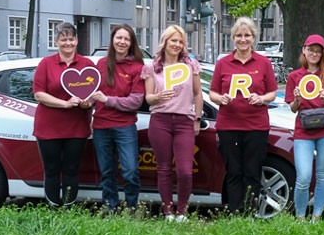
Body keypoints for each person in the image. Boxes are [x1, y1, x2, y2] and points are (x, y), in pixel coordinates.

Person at [207, 18, 278, 217]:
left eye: (247, 35)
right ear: (233, 38)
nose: (243, 39)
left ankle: (250, 213)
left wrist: (261, 98)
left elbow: (272, 93)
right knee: (233, 171)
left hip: (256, 125)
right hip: (228, 125)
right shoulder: (223, 63)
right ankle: (235, 212)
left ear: (253, 38)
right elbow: (212, 93)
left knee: (252, 171)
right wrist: (221, 98)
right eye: (239, 35)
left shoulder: (263, 63)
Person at [142, 25, 205, 222]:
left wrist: (197, 118)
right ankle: (168, 211)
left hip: (184, 121)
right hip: (160, 120)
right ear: (165, 42)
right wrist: (158, 97)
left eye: (181, 42)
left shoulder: (190, 65)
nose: (177, 45)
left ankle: (182, 212)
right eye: (173, 41)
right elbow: (149, 98)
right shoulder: (152, 67)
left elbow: (198, 93)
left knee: (185, 171)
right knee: (163, 168)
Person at [31, 23, 95, 206]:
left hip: (77, 128)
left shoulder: (87, 64)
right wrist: (65, 104)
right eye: (63, 39)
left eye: (71, 39)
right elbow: (39, 94)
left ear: (77, 40)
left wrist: (87, 102)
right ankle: (53, 209)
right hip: (48, 127)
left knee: (71, 170)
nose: (68, 43)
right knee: (51, 170)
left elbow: (93, 94)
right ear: (56, 42)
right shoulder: (46, 63)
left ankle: (68, 209)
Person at [286, 34, 324, 220]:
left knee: (323, 175)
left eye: (318, 51)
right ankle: (300, 217)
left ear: (322, 54)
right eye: (311, 50)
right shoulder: (294, 76)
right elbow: (293, 109)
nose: (314, 54)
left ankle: (317, 216)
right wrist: (297, 99)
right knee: (303, 177)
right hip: (303, 131)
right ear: (304, 50)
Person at [91, 24, 145, 212]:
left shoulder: (138, 68)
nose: (122, 42)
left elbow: (135, 101)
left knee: (130, 171)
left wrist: (107, 100)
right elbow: (91, 94)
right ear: (112, 40)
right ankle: (110, 207)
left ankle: (131, 207)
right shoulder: (100, 64)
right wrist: (85, 100)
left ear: (131, 43)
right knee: (107, 172)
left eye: (126, 39)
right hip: (101, 126)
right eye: (118, 38)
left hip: (125, 126)